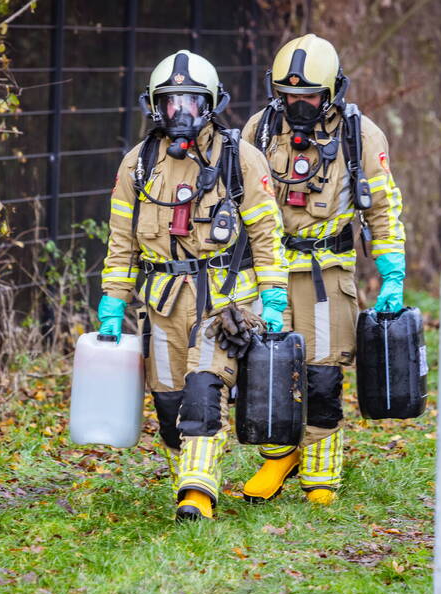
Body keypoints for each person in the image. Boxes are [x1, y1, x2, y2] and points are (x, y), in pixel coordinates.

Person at [98, 50, 289, 521]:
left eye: (191, 100)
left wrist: (274, 293)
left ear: (211, 103)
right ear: (154, 106)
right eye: (170, 101)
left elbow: (266, 232)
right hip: (161, 306)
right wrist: (112, 299)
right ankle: (189, 473)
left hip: (225, 304)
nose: (180, 111)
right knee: (168, 407)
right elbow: (121, 241)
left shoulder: (240, 158)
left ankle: (197, 496)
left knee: (204, 390)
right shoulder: (138, 165)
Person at [240, 34, 406, 505]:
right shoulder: (260, 129)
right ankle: (279, 456)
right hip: (269, 269)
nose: (297, 104)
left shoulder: (360, 136)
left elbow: (383, 207)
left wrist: (391, 270)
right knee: (267, 367)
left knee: (322, 374)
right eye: (288, 95)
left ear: (332, 90)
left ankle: (320, 472)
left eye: (308, 96)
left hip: (326, 270)